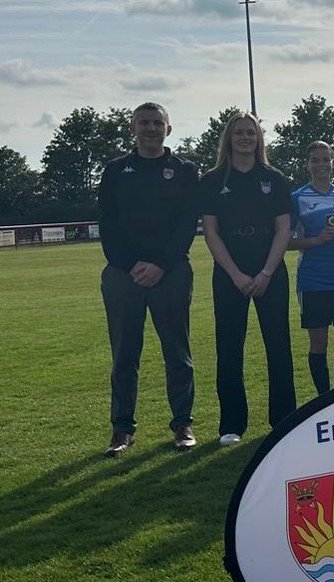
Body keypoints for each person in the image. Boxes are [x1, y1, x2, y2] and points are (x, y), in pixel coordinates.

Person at [98, 101, 199, 456]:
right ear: (133, 128)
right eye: (144, 123)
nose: (151, 128)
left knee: (177, 350)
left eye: (158, 123)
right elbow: (107, 225)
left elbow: (187, 223)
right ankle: (122, 429)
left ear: (168, 129)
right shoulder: (114, 170)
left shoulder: (185, 170)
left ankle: (182, 423)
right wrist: (131, 265)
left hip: (171, 273)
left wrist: (159, 263)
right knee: (125, 353)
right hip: (123, 275)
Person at [199, 112, 296, 446]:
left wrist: (267, 271)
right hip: (230, 273)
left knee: (278, 346)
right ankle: (231, 424)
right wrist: (236, 274)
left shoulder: (274, 177)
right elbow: (210, 232)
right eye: (239, 133)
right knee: (228, 348)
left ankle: (284, 419)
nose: (244, 138)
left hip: (270, 270)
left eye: (250, 133)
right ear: (229, 138)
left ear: (258, 139)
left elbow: (284, 229)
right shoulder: (212, 180)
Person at [290, 141, 334, 395]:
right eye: (315, 160)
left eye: (325, 159)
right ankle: (323, 397)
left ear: (333, 163)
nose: (321, 165)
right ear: (307, 164)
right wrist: (316, 240)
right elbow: (287, 241)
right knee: (318, 344)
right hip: (312, 281)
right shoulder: (297, 198)